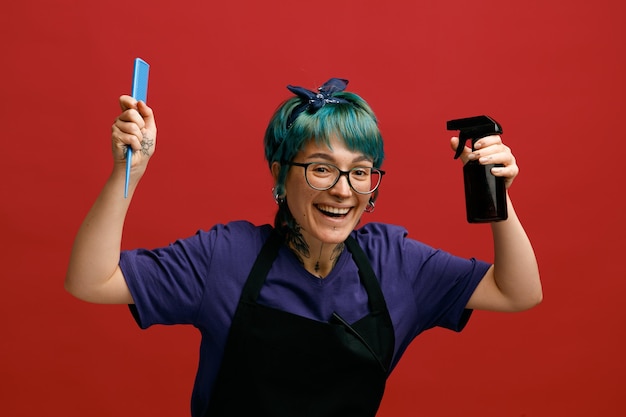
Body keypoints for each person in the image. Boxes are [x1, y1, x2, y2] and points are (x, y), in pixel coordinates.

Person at [65, 77, 542, 417]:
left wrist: (498, 192)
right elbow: (91, 281)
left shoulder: (395, 262)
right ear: (279, 173)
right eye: (320, 168)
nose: (343, 190)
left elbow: (518, 292)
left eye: (360, 172)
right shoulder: (226, 256)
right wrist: (127, 174)